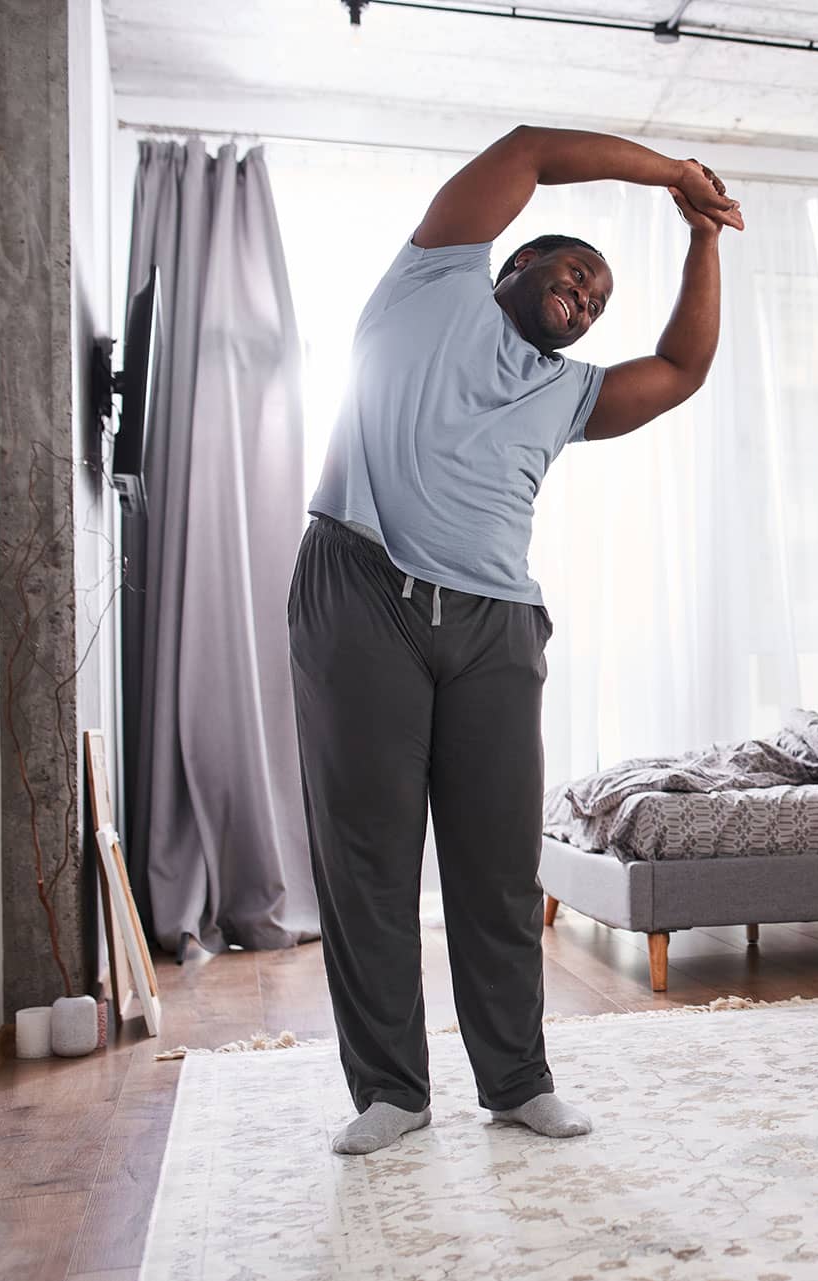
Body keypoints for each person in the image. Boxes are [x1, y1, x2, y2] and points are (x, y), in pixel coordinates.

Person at [288, 125, 742, 1155]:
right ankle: (393, 1093)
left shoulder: (570, 391)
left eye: (596, 303)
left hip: (494, 624)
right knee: (369, 858)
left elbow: (680, 368)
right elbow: (530, 148)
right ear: (516, 260)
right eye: (574, 275)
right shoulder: (429, 285)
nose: (582, 300)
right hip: (363, 589)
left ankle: (517, 1081)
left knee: (496, 865)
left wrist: (702, 238)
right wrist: (672, 173)